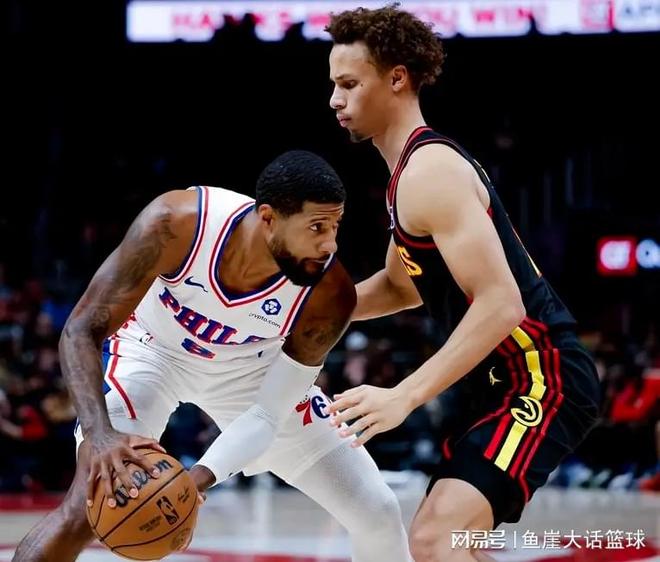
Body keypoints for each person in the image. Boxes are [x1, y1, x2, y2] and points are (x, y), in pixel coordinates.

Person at [12, 150, 411, 562]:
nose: (330, 244)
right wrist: (100, 435)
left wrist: (195, 481)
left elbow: (267, 414)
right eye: (316, 227)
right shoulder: (177, 223)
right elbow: (81, 329)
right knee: (90, 503)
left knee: (377, 511)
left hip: (250, 372)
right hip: (151, 353)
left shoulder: (330, 293)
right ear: (269, 218)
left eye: (335, 226)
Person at [325, 6, 601, 561]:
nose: (335, 99)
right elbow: (401, 287)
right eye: (334, 85)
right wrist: (304, 310)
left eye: (349, 84)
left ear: (396, 79)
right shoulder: (406, 174)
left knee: (436, 540)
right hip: (495, 383)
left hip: (539, 375)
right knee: (456, 546)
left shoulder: (430, 172)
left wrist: (404, 395)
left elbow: (502, 304)